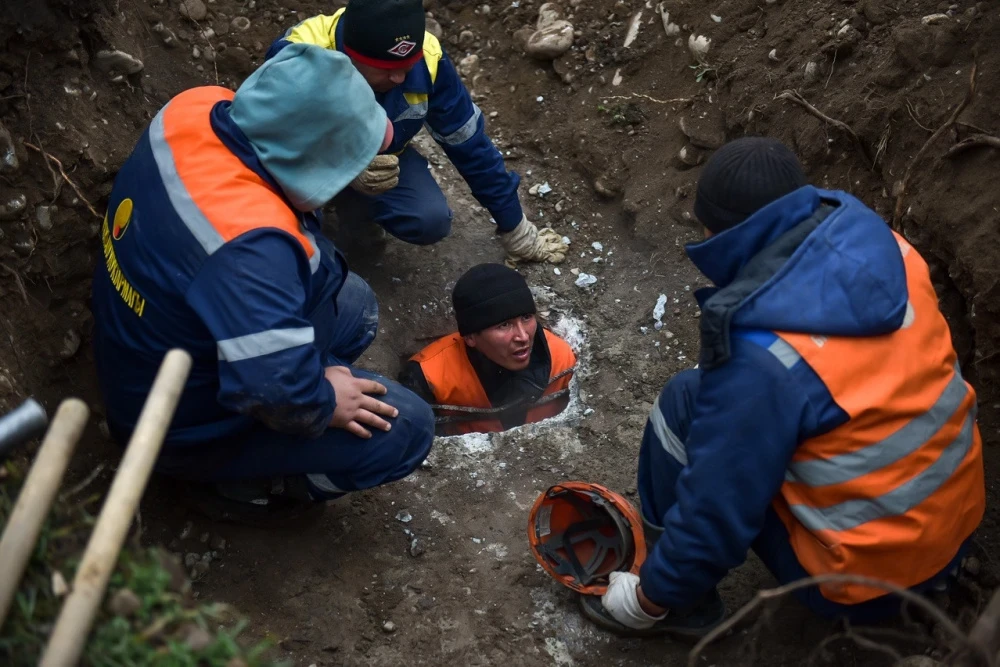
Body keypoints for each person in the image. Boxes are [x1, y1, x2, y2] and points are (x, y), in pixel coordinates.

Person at [584, 137, 986, 637]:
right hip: (953, 533)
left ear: (724, 235)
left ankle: (681, 606)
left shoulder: (766, 358)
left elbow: (715, 518)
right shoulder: (893, 252)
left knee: (684, 402)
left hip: (868, 589)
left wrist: (646, 599)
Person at [90, 43, 435, 520]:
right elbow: (280, 395)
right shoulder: (251, 250)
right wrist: (324, 398)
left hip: (151, 345)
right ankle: (246, 488)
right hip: (172, 424)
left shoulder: (196, 106)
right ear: (314, 159)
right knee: (408, 428)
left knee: (354, 306)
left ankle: (289, 368)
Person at [265, 0, 567, 264]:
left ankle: (356, 214)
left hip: (381, 159)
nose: (399, 78)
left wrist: (515, 226)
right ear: (350, 55)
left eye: (406, 67)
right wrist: (341, 165)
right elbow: (263, 142)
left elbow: (469, 143)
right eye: (384, 69)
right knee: (302, 253)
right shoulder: (298, 56)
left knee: (429, 219)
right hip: (300, 166)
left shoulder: (428, 59)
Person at [400, 263, 576, 436]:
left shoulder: (561, 360)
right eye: (504, 325)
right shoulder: (429, 377)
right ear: (470, 337)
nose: (523, 336)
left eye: (526, 317)